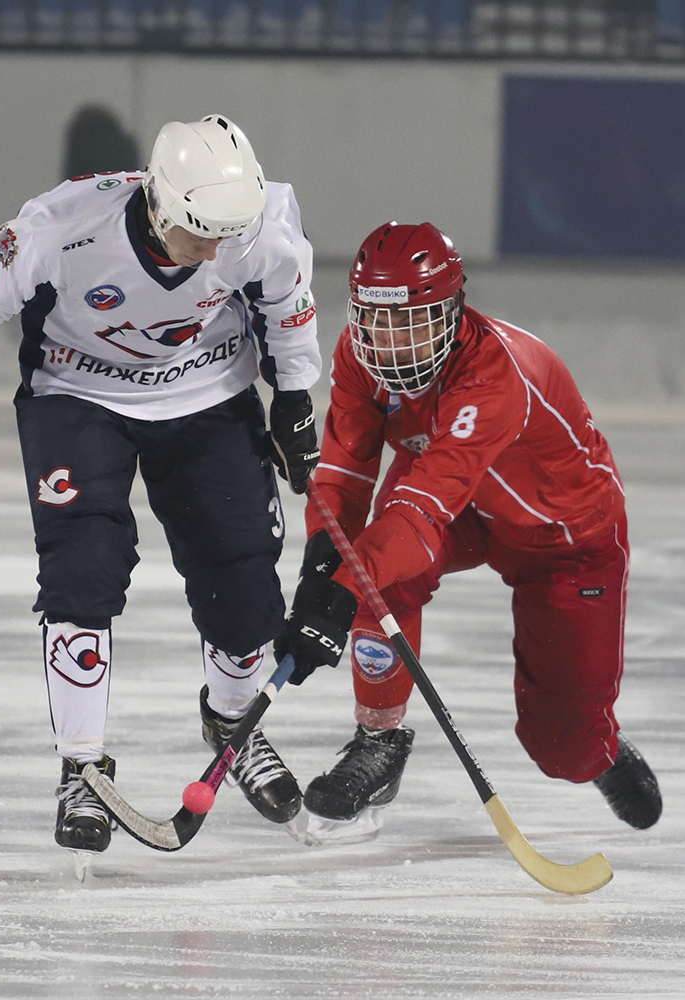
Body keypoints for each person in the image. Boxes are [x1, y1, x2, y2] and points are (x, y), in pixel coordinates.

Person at [0, 115, 323, 859]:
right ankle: (82, 765)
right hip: (78, 397)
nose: (216, 251)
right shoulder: (58, 229)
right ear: (162, 205)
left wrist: (297, 398)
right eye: (201, 233)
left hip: (209, 393)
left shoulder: (257, 225)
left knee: (244, 585)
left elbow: (286, 302)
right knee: (81, 573)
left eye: (228, 234)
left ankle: (234, 722)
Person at [276, 221, 661, 840]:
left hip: (563, 539)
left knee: (558, 747)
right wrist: (319, 569)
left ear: (453, 313)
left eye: (413, 321)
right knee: (377, 568)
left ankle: (599, 751)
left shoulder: (493, 376)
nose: (392, 343)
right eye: (376, 319)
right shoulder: (359, 354)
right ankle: (379, 742)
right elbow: (344, 476)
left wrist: (344, 585)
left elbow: (422, 517)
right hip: (465, 507)